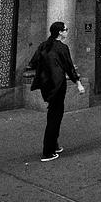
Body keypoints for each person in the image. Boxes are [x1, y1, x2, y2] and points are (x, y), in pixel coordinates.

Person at [29, 21, 85, 162]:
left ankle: (54, 145)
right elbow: (69, 67)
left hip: (46, 85)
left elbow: (33, 62)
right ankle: (48, 152)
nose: (67, 31)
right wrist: (78, 83)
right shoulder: (62, 48)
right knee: (55, 117)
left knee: (53, 115)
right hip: (58, 85)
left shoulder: (44, 45)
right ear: (60, 32)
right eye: (66, 29)